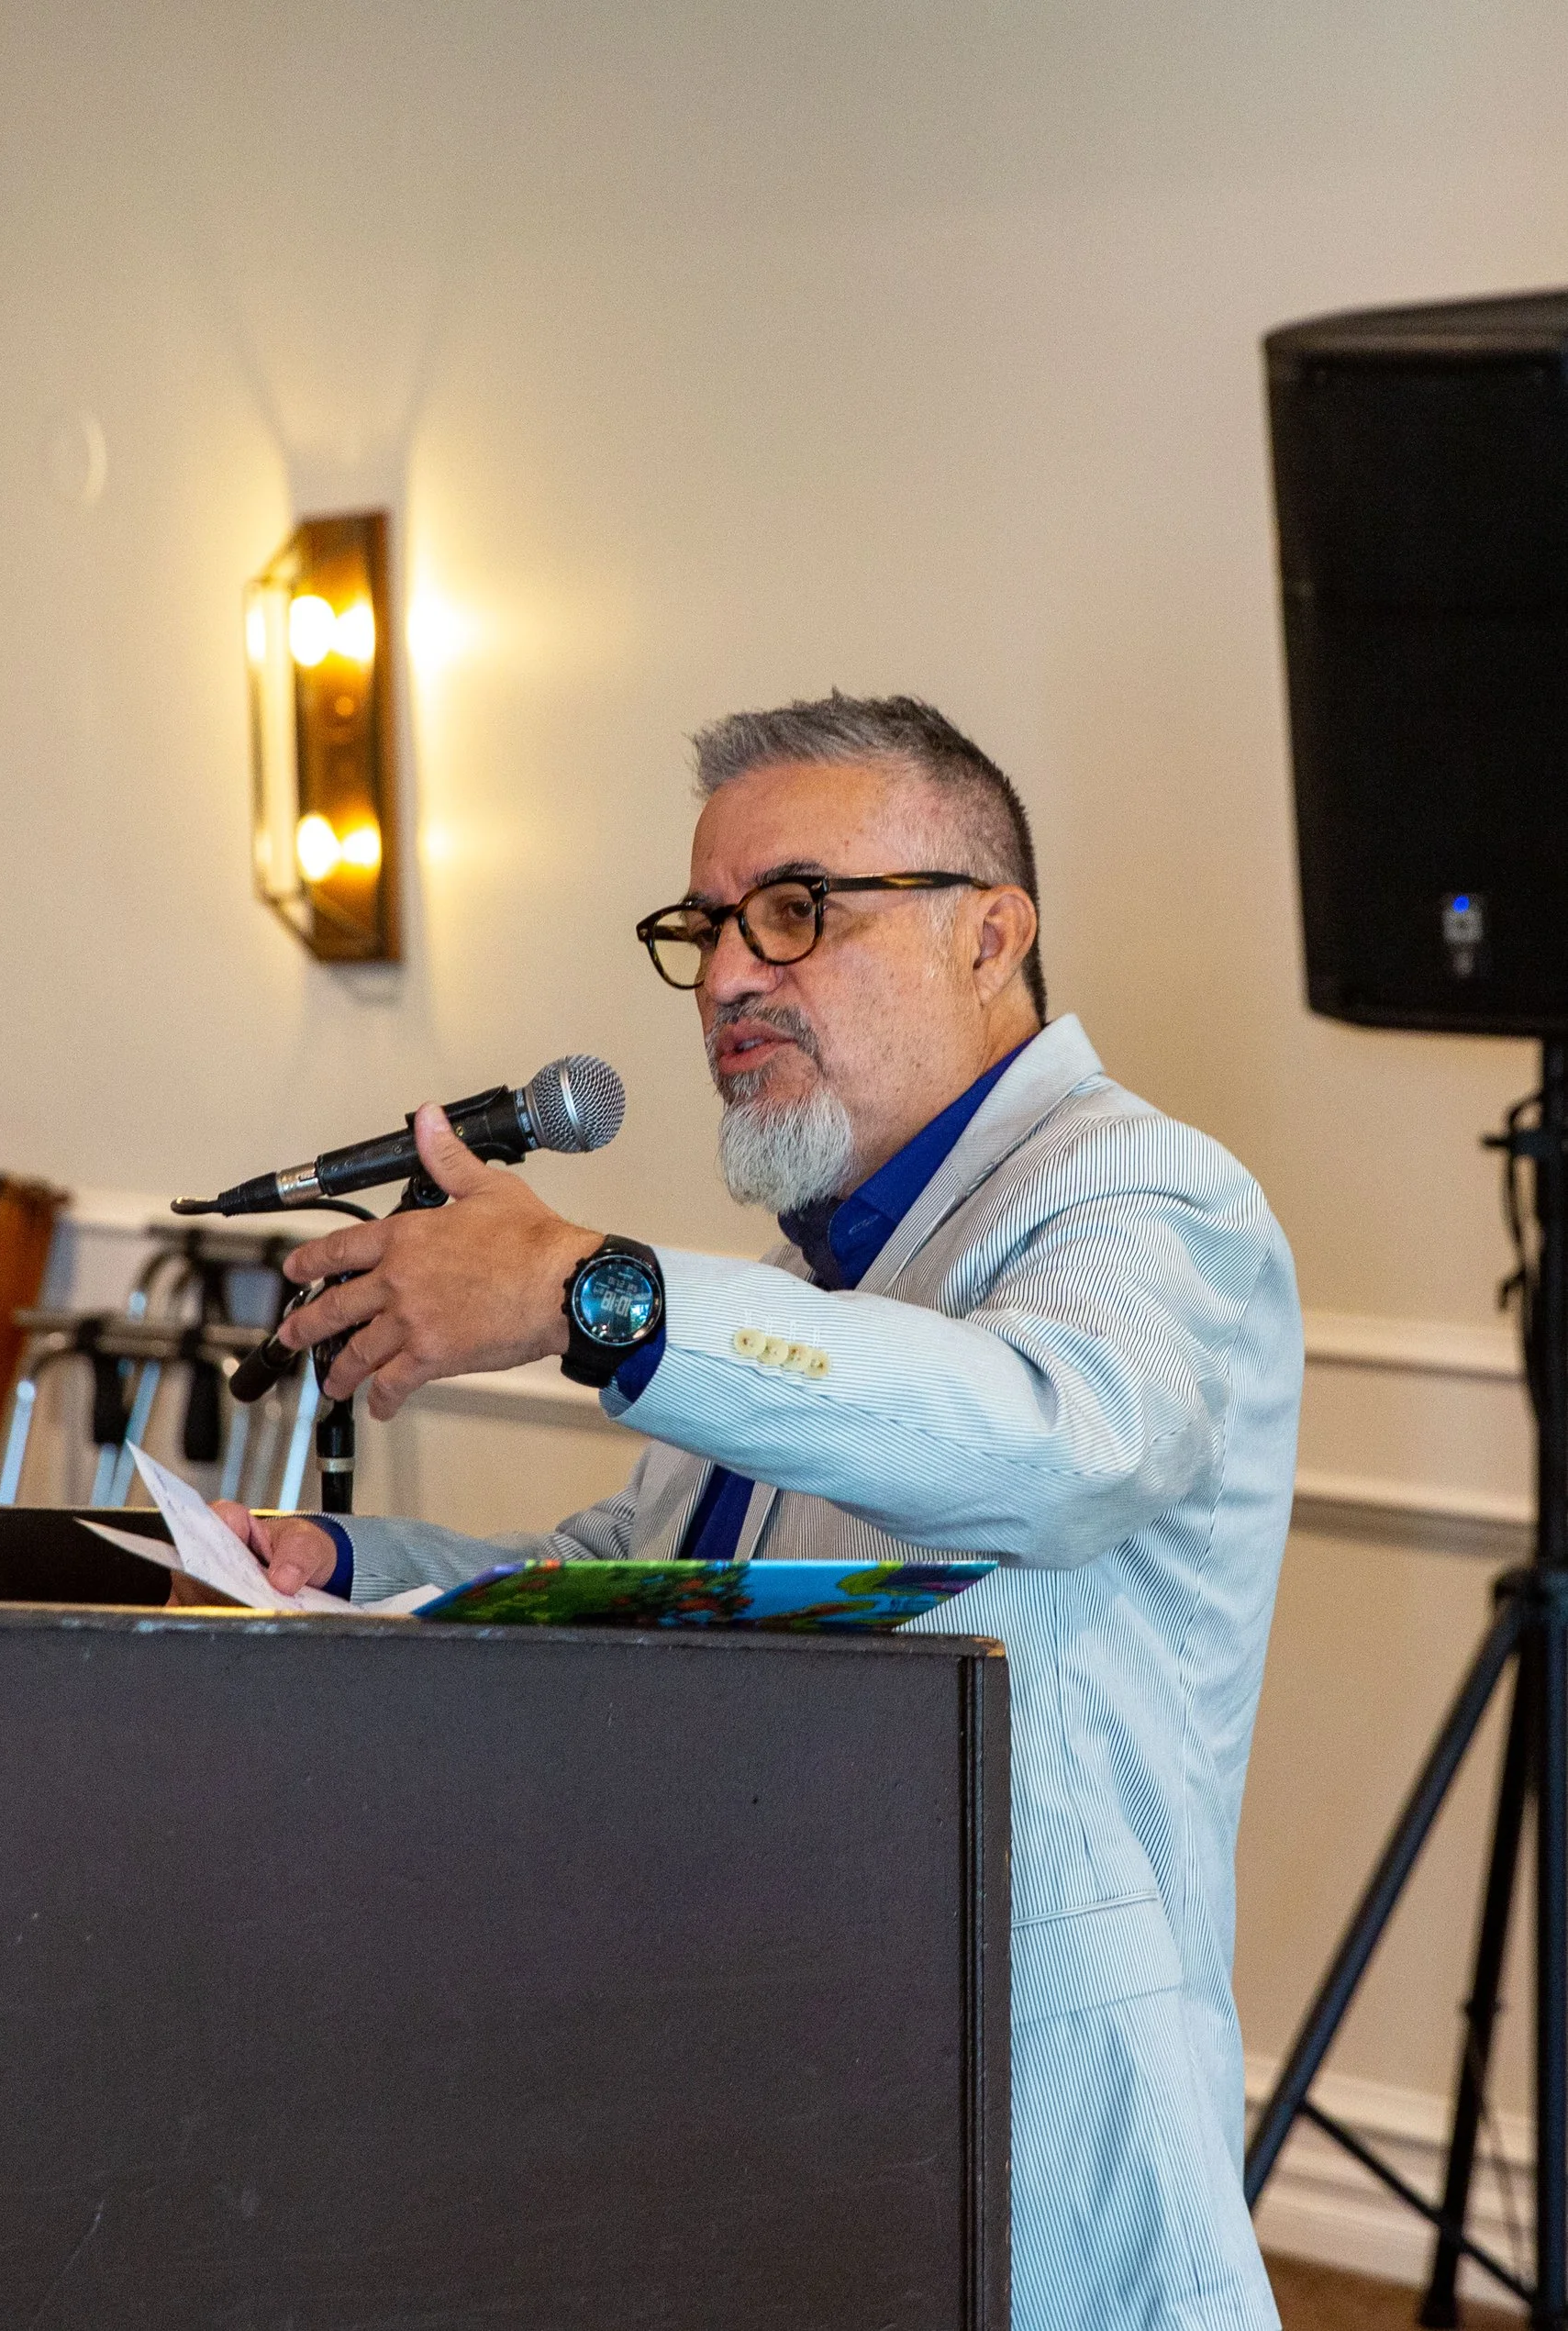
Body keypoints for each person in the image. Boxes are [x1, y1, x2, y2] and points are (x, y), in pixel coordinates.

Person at [212, 693, 1303, 2331]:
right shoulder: (825, 1274)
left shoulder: (1137, 1191)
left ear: (991, 935)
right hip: (771, 2068)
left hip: (1018, 2119)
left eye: (797, 912)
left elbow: (1051, 1445)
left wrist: (596, 1293)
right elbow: (631, 1584)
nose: (728, 975)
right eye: (705, 927)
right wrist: (342, 1566)